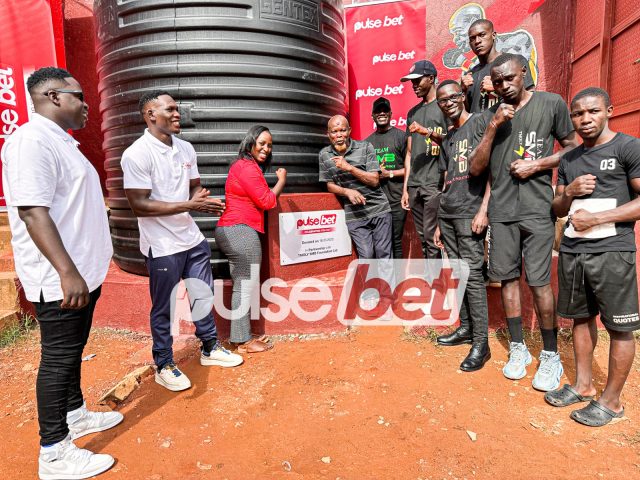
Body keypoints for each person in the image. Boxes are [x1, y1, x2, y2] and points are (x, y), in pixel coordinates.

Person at [1, 67, 120, 479]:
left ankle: (75, 415)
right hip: (61, 279)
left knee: (72, 350)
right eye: (79, 96)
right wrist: (66, 272)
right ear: (53, 96)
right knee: (58, 359)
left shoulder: (61, 141)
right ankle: (53, 452)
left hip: (82, 272)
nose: (87, 105)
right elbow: (33, 212)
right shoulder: (30, 142)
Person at [469, 53, 579, 390]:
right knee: (507, 280)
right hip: (502, 212)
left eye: (509, 78)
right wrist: (493, 126)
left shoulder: (550, 103)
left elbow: (573, 147)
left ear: (524, 73)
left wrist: (538, 165)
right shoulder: (487, 117)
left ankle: (550, 354)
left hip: (537, 209)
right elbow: (475, 168)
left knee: (540, 283)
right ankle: (518, 348)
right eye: (497, 81)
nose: (503, 85)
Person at [122, 90, 243, 393]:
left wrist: (201, 201)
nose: (178, 114)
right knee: (164, 307)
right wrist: (190, 205)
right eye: (170, 110)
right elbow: (139, 205)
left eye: (178, 109)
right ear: (150, 115)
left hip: (191, 238)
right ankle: (164, 364)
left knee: (202, 296)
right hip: (162, 245)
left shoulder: (186, 148)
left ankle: (209, 348)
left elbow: (194, 188)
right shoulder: (136, 154)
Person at [545, 87, 640, 426]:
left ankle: (611, 402)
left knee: (619, 328)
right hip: (573, 251)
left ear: (609, 111)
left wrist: (598, 218)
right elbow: (558, 208)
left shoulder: (628, 147)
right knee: (580, 319)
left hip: (612, 252)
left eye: (593, 111)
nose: (585, 119)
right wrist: (569, 192)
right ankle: (583, 385)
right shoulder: (569, 158)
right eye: (578, 114)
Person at [432, 80, 491, 371]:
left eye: (453, 97)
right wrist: (439, 222)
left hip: (470, 212)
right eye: (442, 100)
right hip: (448, 212)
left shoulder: (480, 122)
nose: (448, 103)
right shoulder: (449, 136)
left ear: (463, 95)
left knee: (473, 275)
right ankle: (466, 328)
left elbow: (492, 170)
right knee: (458, 273)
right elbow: (447, 179)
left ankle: (482, 343)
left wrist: (484, 210)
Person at [215, 126, 286, 353]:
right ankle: (243, 341)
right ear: (251, 142)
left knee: (242, 285)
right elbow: (267, 201)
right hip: (240, 230)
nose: (266, 148)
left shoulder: (246, 166)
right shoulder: (246, 167)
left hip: (234, 229)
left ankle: (240, 336)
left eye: (270, 145)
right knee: (245, 286)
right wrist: (281, 181)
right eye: (262, 143)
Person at [319, 115, 392, 262]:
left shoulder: (365, 147)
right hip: (354, 215)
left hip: (379, 209)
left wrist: (349, 168)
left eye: (343, 130)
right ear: (328, 134)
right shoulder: (324, 155)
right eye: (334, 131)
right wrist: (347, 191)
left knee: (384, 255)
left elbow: (374, 180)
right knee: (366, 256)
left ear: (349, 131)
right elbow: (329, 185)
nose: (339, 135)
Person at [400, 60, 448, 261]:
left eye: (418, 80)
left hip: (434, 183)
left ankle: (437, 279)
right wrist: (405, 189)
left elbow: (453, 140)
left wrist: (426, 132)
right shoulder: (413, 113)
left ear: (431, 78)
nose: (414, 85)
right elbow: (409, 153)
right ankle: (433, 277)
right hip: (415, 185)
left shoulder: (445, 106)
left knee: (432, 237)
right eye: (412, 82)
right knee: (423, 237)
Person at [462, 19, 535, 114]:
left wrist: (497, 87)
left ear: (493, 35)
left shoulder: (515, 62)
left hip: (510, 122)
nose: (477, 41)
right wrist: (463, 91)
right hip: (480, 124)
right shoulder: (470, 75)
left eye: (482, 35)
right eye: (472, 38)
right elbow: (467, 113)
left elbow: (531, 98)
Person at [365, 97, 407, 258]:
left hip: (396, 200)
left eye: (385, 110)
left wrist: (388, 173)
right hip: (376, 201)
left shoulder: (401, 137)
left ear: (390, 113)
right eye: (378, 111)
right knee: (380, 243)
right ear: (372, 115)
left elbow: (411, 170)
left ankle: (397, 274)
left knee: (396, 241)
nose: (381, 113)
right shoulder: (367, 143)